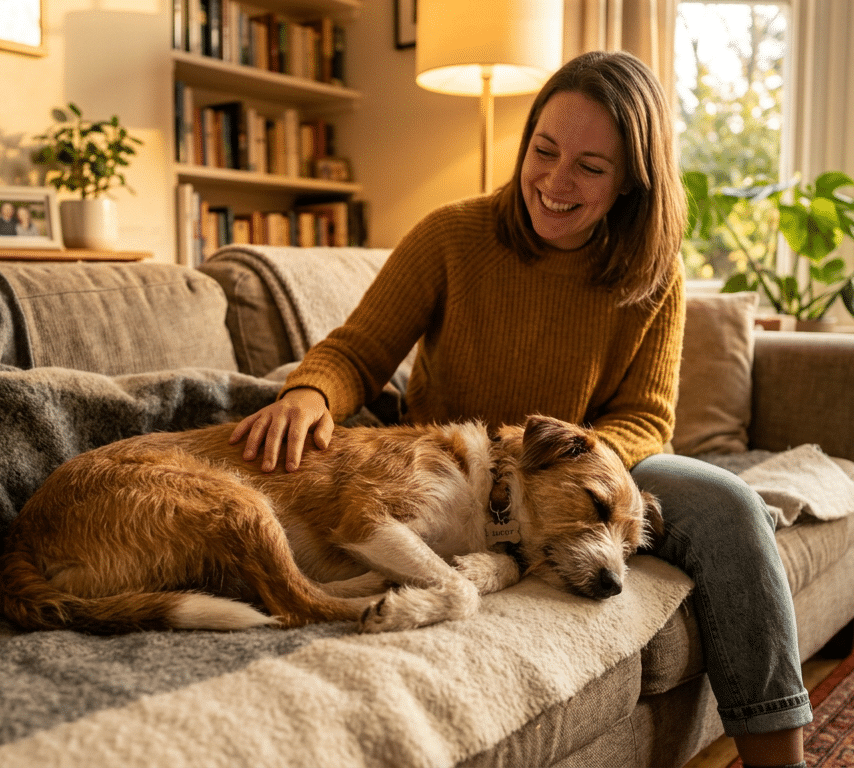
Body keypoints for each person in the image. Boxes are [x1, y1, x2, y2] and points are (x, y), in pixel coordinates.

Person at [230, 50, 810, 768]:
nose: (555, 182)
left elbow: (645, 422)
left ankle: (780, 756)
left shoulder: (653, 275)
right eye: (544, 149)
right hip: (451, 470)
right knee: (270, 393)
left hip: (582, 468)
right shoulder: (452, 235)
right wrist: (311, 393)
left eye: (590, 168)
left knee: (730, 505)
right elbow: (358, 351)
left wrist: (562, 463)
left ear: (632, 180)